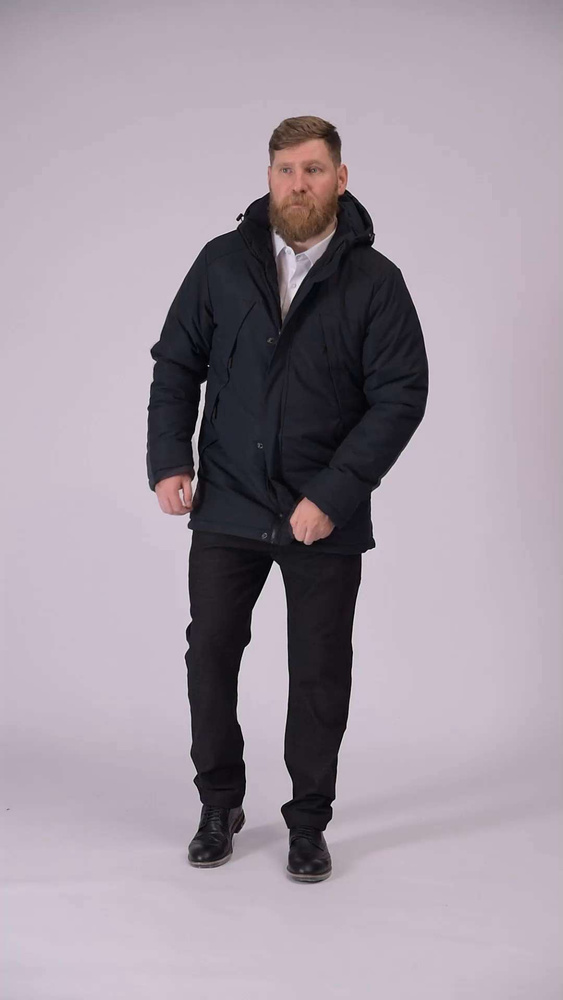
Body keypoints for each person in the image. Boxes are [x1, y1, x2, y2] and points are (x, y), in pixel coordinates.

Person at [146, 115, 429, 883]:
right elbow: (177, 363)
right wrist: (169, 459)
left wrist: (332, 494)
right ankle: (218, 804)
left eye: (312, 169)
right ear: (268, 177)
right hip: (229, 503)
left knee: (317, 671)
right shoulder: (221, 263)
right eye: (284, 170)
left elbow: (400, 396)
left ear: (340, 177)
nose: (297, 184)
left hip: (321, 514)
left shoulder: (375, 282)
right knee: (210, 653)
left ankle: (308, 823)